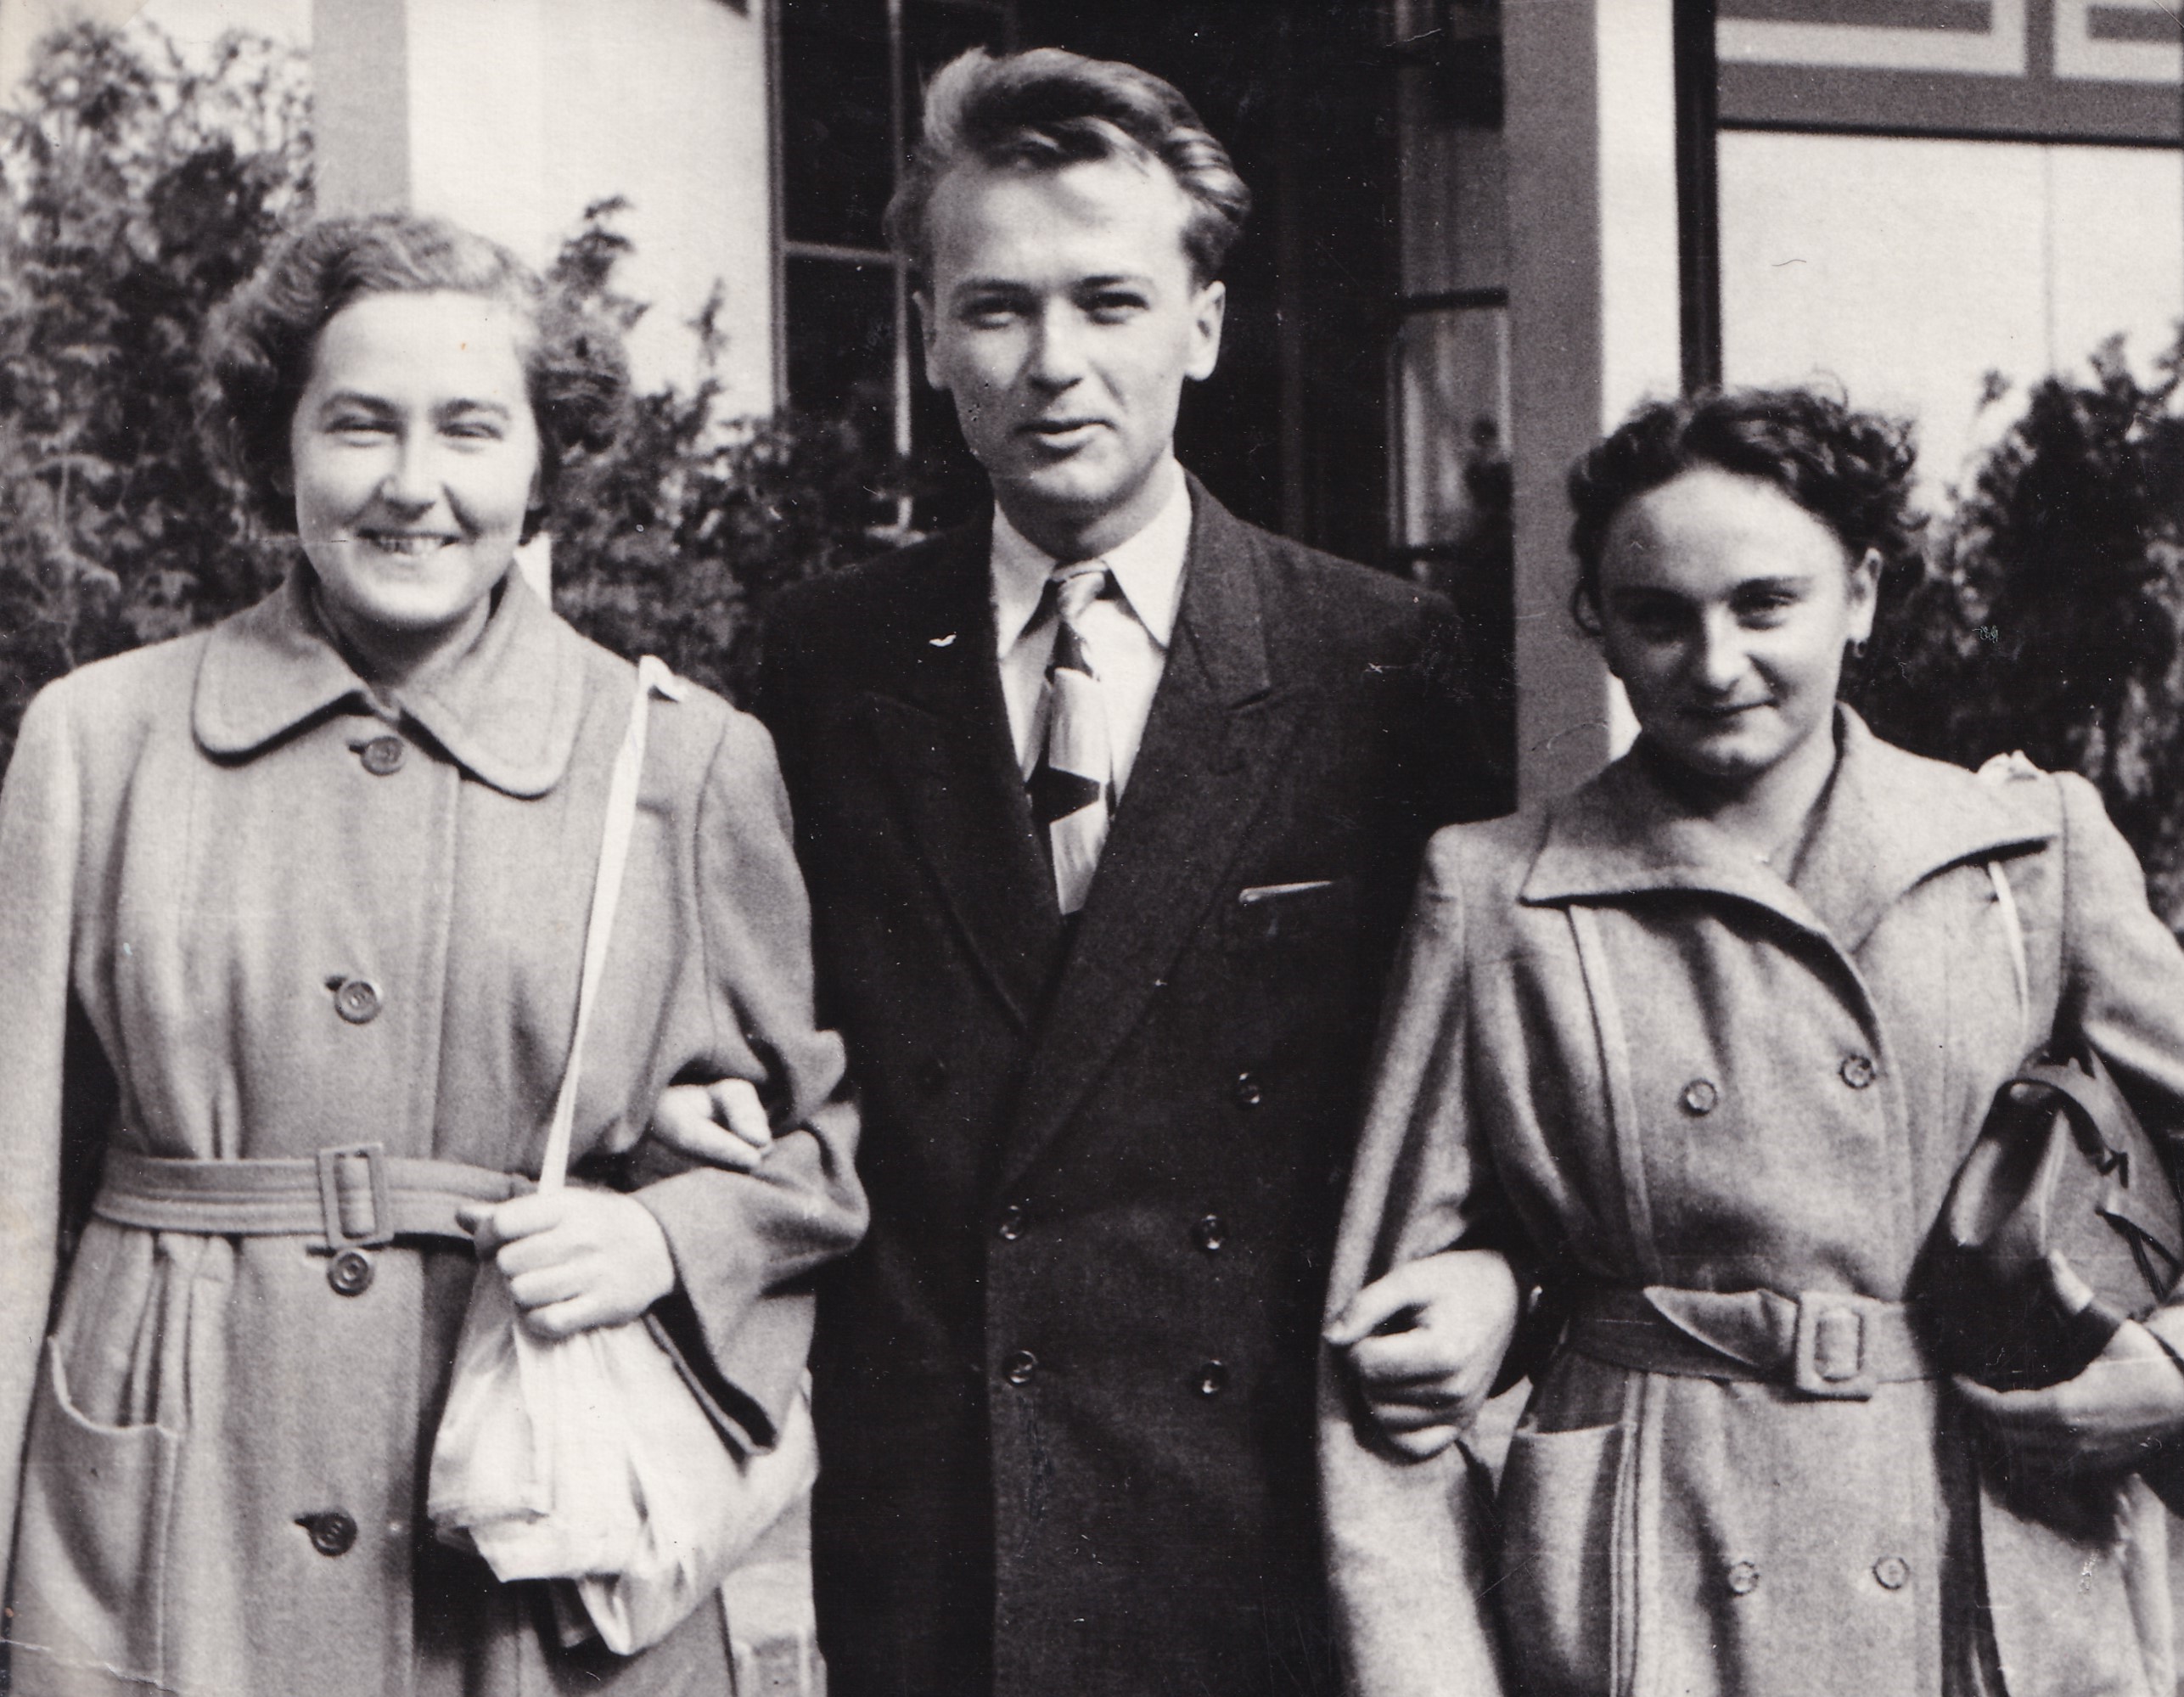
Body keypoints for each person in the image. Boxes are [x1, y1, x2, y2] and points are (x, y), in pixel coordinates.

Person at [649, 43, 1506, 1697]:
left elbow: (1499, 1081)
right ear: (928, 335)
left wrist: (1498, 1278)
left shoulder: (1377, 657)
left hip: (1262, 1520)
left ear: (1203, 322)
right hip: (943, 1530)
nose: (1054, 364)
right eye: (997, 308)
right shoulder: (827, 660)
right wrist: (697, 1106)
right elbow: (759, 1039)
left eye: (1110, 302)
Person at [0, 212, 864, 1696]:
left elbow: (817, 1159)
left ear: (543, 462)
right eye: (358, 425)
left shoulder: (680, 759)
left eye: (470, 427)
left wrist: (665, 1239)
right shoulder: (98, 742)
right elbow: (11, 1191)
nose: (413, 483)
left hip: (518, 1523)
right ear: (279, 447)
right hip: (171, 1507)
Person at [1321, 385, 2184, 1697]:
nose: (1715, 665)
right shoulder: (1499, 891)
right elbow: (1381, 1375)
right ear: (1599, 627)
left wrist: (2173, 1370)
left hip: (1986, 1561)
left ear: (1862, 595)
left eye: (1765, 604)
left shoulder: (2025, 856)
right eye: (1658, 617)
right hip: (1657, 1575)